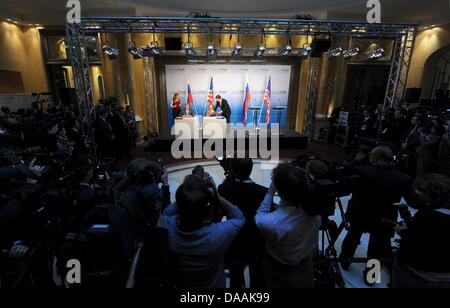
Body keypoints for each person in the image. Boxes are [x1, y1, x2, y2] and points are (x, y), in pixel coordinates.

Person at [340, 146, 418, 274]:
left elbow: (344, 168)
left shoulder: (361, 170)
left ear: (375, 158)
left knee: (352, 238)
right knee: (377, 247)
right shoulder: (402, 178)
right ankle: (371, 276)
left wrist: (357, 160)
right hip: (384, 216)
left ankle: (345, 262)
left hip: (360, 213)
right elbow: (414, 201)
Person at [160, 174, 245, 288]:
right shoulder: (219, 233)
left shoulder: (166, 225)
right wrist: (216, 195)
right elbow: (239, 217)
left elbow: (165, 213)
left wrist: (185, 195)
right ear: (206, 207)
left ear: (180, 204)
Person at [255, 163, 322, 288]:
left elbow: (259, 215)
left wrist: (270, 192)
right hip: (306, 267)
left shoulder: (271, 223)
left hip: (279, 271)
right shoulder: (317, 210)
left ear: (279, 190)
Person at [392, 173, 450, 288]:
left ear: (430, 195)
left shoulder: (426, 215)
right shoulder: (433, 214)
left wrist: (401, 231)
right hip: (444, 276)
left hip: (417, 274)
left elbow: (416, 242)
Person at [218, 158, 268, 288]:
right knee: (257, 278)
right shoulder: (263, 191)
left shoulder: (224, 189)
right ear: (251, 169)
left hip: (235, 239)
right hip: (256, 240)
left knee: (235, 278)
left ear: (232, 170)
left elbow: (218, 215)